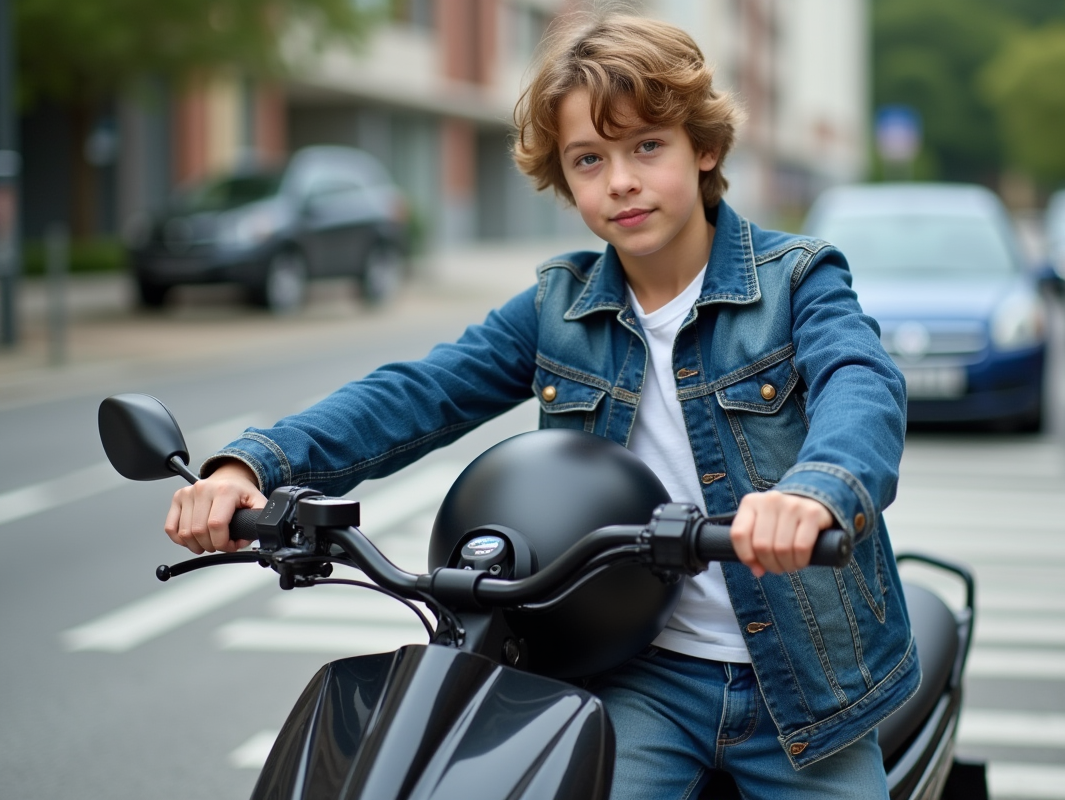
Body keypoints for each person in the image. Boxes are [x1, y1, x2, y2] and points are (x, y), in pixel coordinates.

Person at [164, 13, 916, 800]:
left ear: (705, 148)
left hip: (806, 684)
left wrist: (813, 490)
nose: (620, 180)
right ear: (565, 178)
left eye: (647, 146)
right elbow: (423, 390)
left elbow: (861, 386)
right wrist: (250, 463)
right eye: (589, 159)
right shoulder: (560, 305)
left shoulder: (797, 280)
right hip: (639, 678)